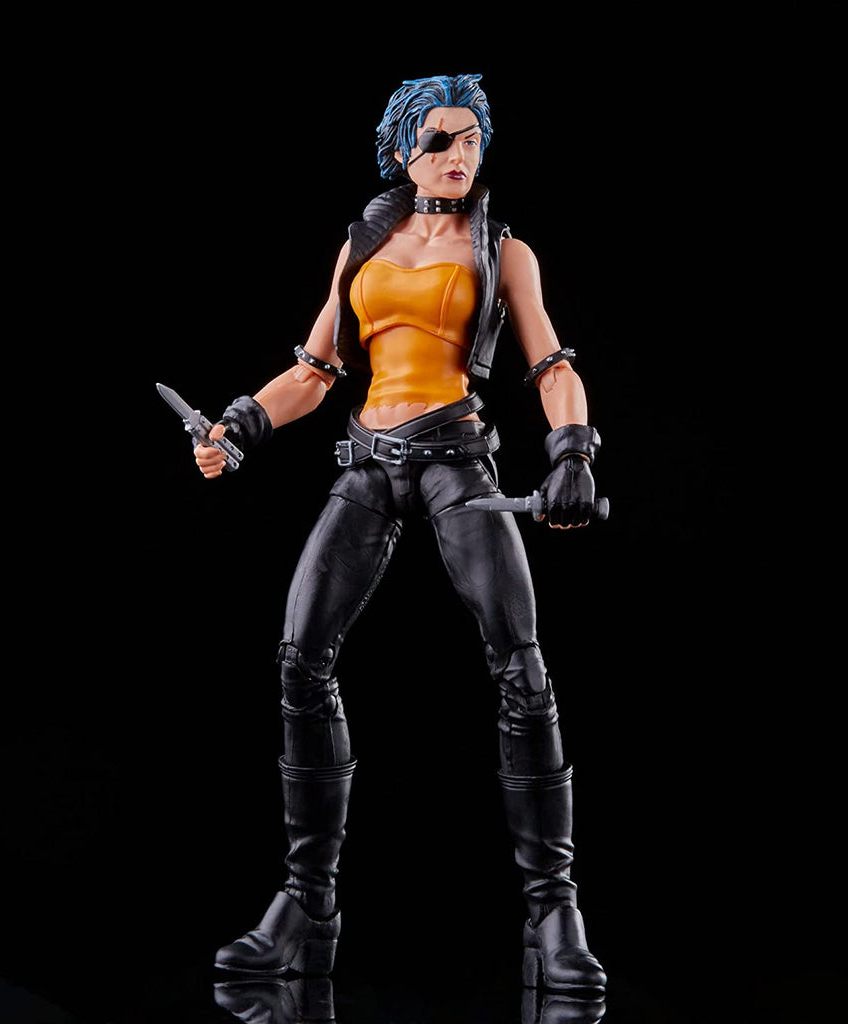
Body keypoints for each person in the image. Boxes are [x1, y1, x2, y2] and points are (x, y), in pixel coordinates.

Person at [196, 74, 606, 993]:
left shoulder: (503, 250)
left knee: (522, 668)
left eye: (472, 139)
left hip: (457, 457)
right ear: (400, 152)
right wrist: (239, 426)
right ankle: (306, 902)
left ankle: (554, 912)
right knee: (300, 659)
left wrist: (573, 449)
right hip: (369, 461)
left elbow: (550, 361)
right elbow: (315, 369)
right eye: (439, 140)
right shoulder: (363, 245)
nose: (459, 155)